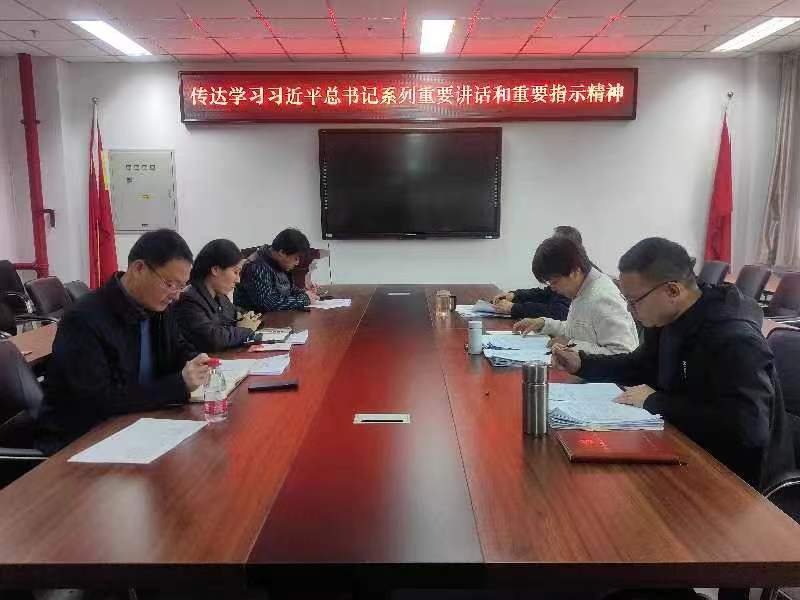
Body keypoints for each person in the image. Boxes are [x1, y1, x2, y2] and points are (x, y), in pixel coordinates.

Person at [550, 237, 795, 490]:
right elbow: (639, 366)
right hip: (684, 445)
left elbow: (747, 428)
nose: (630, 310)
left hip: (738, 481)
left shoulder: (735, 339)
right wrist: (582, 364)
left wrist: (655, 401)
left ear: (673, 291)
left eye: (635, 301)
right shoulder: (667, 319)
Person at [36, 229, 210, 453]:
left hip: (138, 425)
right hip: (82, 442)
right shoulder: (83, 320)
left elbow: (178, 349)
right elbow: (99, 401)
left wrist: (198, 362)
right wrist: (178, 384)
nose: (176, 295)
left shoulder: (159, 308)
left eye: (181, 286)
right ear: (139, 268)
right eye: (170, 284)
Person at [512, 236, 639, 355]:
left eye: (554, 282)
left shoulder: (604, 299)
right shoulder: (582, 288)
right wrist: (543, 323)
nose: (552, 288)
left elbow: (623, 353)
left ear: (575, 270)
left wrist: (571, 345)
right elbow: (578, 330)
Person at [174, 239, 262, 353]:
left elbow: (237, 315)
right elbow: (214, 339)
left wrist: (249, 318)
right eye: (235, 272)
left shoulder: (220, 296)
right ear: (215, 270)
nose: (238, 280)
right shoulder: (189, 300)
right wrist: (245, 329)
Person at [492, 226, 586, 319]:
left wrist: (515, 308)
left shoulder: (576, 280)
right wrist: (515, 295)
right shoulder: (565, 274)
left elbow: (559, 313)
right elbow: (545, 294)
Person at [235, 228, 319, 312]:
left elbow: (287, 290)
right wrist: (303, 299)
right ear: (282, 253)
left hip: (277, 316)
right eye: (296, 258)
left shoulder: (278, 262)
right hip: (256, 319)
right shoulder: (257, 266)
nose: (297, 263)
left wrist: (305, 293)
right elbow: (267, 303)